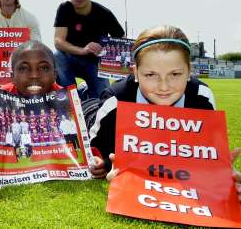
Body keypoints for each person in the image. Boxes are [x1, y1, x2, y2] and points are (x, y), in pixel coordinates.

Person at [88, 25, 216, 179]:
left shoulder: (202, 99)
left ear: (189, 71)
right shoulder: (116, 100)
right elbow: (94, 148)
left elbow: (207, 154)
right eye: (150, 75)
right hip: (91, 111)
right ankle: (85, 92)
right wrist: (100, 163)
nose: (163, 87)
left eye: (175, 74)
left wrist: (220, 173)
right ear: (136, 73)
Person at [0, 40, 62, 189]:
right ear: (12, 75)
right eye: (23, 69)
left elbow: (85, 141)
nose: (34, 75)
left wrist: (95, 159)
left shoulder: (64, 98)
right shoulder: (0, 98)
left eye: (43, 68)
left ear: (55, 74)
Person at [54, 0, 125, 99]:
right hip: (69, 60)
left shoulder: (104, 14)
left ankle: (85, 93)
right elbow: (58, 41)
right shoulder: (64, 8)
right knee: (57, 55)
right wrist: (83, 50)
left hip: (95, 63)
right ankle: (71, 99)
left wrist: (104, 50)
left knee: (102, 100)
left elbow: (123, 43)